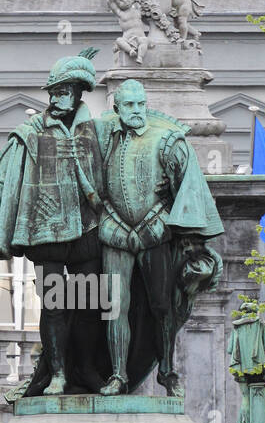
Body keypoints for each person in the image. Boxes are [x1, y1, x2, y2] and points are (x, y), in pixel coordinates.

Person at [0, 48, 105, 395]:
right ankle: (59, 373)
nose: (56, 98)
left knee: (91, 302)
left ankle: (88, 369)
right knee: (55, 304)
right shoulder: (29, 132)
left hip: (88, 229)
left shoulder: (97, 132)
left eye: (64, 92)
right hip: (46, 229)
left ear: (78, 93)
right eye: (53, 92)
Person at [95, 79, 224, 397]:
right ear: (117, 108)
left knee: (162, 305)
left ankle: (167, 370)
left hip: (156, 231)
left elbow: (189, 188)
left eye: (141, 104)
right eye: (129, 105)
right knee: (114, 306)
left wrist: (192, 240)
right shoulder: (100, 138)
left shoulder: (167, 139)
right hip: (113, 231)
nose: (137, 111)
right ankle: (117, 374)